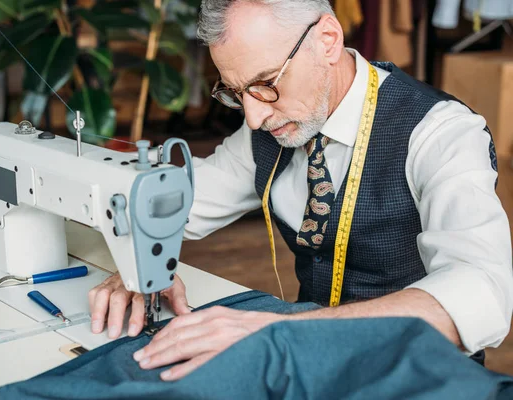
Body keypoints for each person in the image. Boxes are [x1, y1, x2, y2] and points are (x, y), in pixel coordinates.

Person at [89, 0, 513, 381]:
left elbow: (483, 292)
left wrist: (282, 328)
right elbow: (178, 206)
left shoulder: (441, 133)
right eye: (237, 94)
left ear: (327, 40)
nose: (253, 117)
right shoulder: (270, 127)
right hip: (309, 364)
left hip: (419, 374)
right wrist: (137, 265)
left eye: (266, 82)